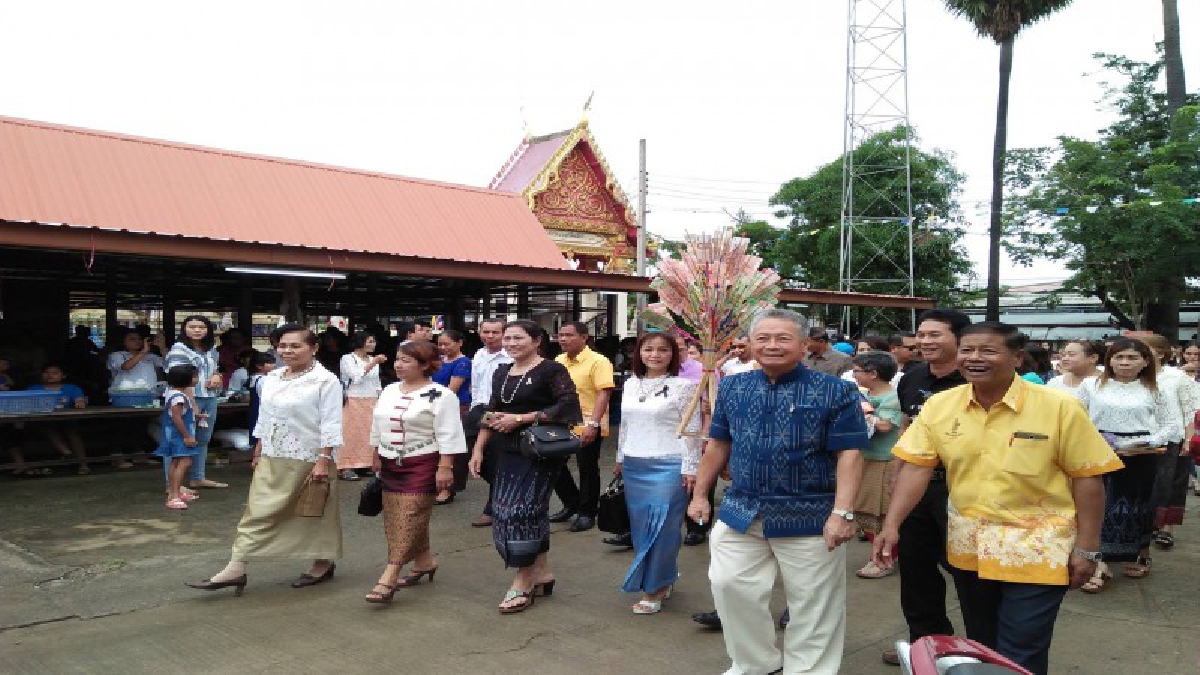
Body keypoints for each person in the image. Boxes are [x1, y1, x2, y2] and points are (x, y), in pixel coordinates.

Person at [873, 322, 1121, 675]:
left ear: (1017, 357)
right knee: (984, 646)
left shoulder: (1059, 407)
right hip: (969, 547)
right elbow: (916, 468)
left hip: (1039, 547)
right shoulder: (941, 406)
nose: (974, 358)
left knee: (1022, 648)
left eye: (988, 350)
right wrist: (892, 525)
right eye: (967, 350)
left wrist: (1087, 547)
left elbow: (1088, 478)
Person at [688, 309, 868, 675]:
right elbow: (718, 444)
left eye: (783, 339)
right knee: (729, 586)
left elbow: (850, 453)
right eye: (763, 338)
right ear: (749, 344)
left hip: (811, 514)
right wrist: (700, 494)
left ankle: (809, 671)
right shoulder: (734, 386)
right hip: (741, 508)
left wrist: (843, 512)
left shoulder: (836, 390)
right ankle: (755, 664)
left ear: (804, 346)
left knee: (814, 604)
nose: (772, 345)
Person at [186, 324, 343, 596]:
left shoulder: (325, 380)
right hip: (273, 454)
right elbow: (265, 417)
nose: (288, 351)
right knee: (257, 511)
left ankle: (323, 561)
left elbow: (331, 423)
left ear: (313, 348)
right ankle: (236, 567)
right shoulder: (273, 377)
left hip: (309, 457)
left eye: (296, 346)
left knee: (314, 510)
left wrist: (322, 460)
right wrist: (258, 449)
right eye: (282, 345)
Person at [467, 320, 581, 614]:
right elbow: (491, 411)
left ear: (537, 340)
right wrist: (478, 449)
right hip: (506, 450)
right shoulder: (501, 371)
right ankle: (542, 572)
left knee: (521, 511)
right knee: (506, 510)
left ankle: (524, 577)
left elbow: (568, 408)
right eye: (508, 338)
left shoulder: (551, 370)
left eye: (518, 338)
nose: (511, 343)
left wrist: (522, 418)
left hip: (540, 451)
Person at [883, 308, 972, 667]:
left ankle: (982, 648)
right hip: (917, 485)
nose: (925, 341)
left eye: (936, 334)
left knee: (967, 571)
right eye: (922, 334)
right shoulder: (913, 375)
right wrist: (897, 471)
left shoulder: (973, 380)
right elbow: (906, 424)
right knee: (916, 571)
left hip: (960, 488)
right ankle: (928, 647)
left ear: (960, 339)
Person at [364, 340, 467, 603]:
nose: (398, 365)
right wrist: (375, 453)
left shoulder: (442, 396)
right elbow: (378, 423)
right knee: (395, 516)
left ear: (425, 365)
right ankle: (423, 562)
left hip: (423, 462)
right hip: (389, 462)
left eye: (406, 361)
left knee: (408, 517)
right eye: (397, 359)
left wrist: (445, 468)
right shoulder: (388, 390)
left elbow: (450, 433)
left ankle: (390, 574)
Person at [1074, 338, 1182, 588]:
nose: (1124, 362)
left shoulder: (1156, 389)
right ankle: (1100, 565)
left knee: (1136, 507)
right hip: (1098, 452)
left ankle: (1142, 553)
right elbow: (1076, 417)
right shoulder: (1091, 385)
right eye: (1118, 357)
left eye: (1132, 358)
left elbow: (1171, 424)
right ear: (1109, 360)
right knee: (1097, 508)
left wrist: (1146, 442)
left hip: (1140, 455)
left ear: (1146, 361)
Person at [614, 332, 700, 614]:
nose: (655, 355)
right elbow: (625, 425)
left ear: (673, 355)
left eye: (663, 350)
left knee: (662, 528)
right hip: (635, 463)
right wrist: (620, 457)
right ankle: (664, 576)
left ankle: (656, 588)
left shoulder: (684, 386)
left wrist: (690, 466)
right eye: (648, 349)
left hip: (669, 464)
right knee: (640, 529)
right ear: (638, 353)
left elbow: (692, 429)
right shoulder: (629, 384)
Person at [550, 321, 615, 533]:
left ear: (584, 337)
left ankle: (587, 512)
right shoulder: (559, 360)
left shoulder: (599, 361)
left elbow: (604, 393)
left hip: (588, 421)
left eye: (569, 335)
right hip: (562, 421)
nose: (563, 339)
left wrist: (593, 424)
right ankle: (571, 503)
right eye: (560, 335)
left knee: (587, 467)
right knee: (554, 464)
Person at [1139, 335, 1198, 551]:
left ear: (1161, 353)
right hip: (1142, 437)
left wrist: (1188, 438)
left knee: (1172, 482)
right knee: (1147, 482)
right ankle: (1149, 522)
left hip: (1173, 436)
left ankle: (1167, 528)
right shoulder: (1134, 377)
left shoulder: (1176, 377)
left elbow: (1189, 409)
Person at [850, 351, 903, 579]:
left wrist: (862, 415)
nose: (854, 375)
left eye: (857, 371)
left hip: (885, 463)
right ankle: (878, 556)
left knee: (883, 513)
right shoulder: (864, 394)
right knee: (866, 511)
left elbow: (884, 426)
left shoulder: (893, 398)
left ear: (873, 374)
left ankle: (884, 559)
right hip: (866, 459)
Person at [165, 316, 227, 490]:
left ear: (208, 330)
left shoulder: (211, 348)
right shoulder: (179, 349)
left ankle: (198, 478)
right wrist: (192, 405)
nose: (197, 330)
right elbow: (179, 380)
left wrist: (217, 375)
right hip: (186, 399)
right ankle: (173, 485)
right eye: (192, 327)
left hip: (209, 396)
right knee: (179, 441)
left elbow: (216, 369)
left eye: (201, 327)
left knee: (202, 440)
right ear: (184, 329)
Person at [467, 318, 511, 528]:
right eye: (486, 332)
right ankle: (503, 494)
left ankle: (493, 507)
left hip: (499, 412)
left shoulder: (510, 356)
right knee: (470, 451)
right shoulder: (479, 354)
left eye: (495, 332)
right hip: (479, 408)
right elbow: (476, 384)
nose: (490, 336)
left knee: (494, 458)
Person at [336, 332, 386, 482]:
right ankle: (345, 466)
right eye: (370, 341)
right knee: (351, 433)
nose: (373, 344)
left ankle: (365, 464)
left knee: (368, 433)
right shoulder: (347, 358)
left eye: (374, 341)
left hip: (371, 399)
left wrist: (381, 397)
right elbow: (356, 377)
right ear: (360, 342)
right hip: (353, 399)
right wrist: (374, 363)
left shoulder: (372, 359)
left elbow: (376, 383)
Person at [26, 364, 90, 475]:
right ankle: (68, 453)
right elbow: (26, 403)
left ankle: (83, 464)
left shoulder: (71, 388)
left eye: (55, 373)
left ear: (63, 375)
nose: (50, 375)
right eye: (46, 373)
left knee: (72, 431)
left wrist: (80, 402)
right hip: (44, 420)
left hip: (66, 419)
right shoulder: (34, 389)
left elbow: (80, 399)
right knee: (46, 427)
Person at [433, 329, 472, 504]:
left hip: (455, 407)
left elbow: (452, 389)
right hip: (433, 406)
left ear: (459, 343)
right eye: (440, 344)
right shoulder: (438, 360)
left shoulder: (463, 362)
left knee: (451, 447)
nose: (442, 347)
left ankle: (448, 488)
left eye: (447, 344)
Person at [158, 366, 201, 510]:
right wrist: (187, 436)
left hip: (173, 434)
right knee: (185, 461)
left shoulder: (172, 393)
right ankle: (175, 495)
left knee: (176, 461)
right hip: (179, 435)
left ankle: (173, 492)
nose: (197, 379)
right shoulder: (179, 397)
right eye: (194, 377)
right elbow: (177, 418)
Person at [246, 351, 275, 449]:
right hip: (263, 411)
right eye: (270, 363)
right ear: (259, 366)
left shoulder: (253, 378)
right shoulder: (264, 380)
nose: (273, 365)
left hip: (255, 411)